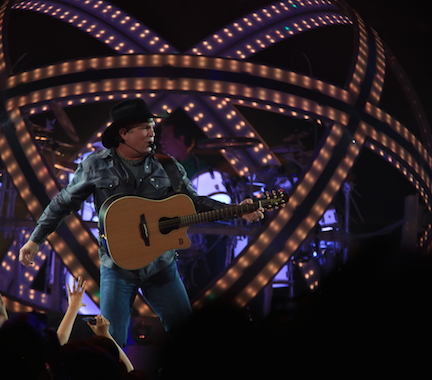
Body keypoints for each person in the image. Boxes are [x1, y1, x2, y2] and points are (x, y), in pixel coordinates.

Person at [19, 98, 265, 346]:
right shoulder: (95, 166)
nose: (152, 133)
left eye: (152, 127)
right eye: (145, 128)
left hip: (162, 268)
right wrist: (35, 240)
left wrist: (237, 211)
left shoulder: (167, 166)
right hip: (118, 269)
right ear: (123, 133)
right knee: (111, 343)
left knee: (188, 339)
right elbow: (62, 203)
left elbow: (194, 202)